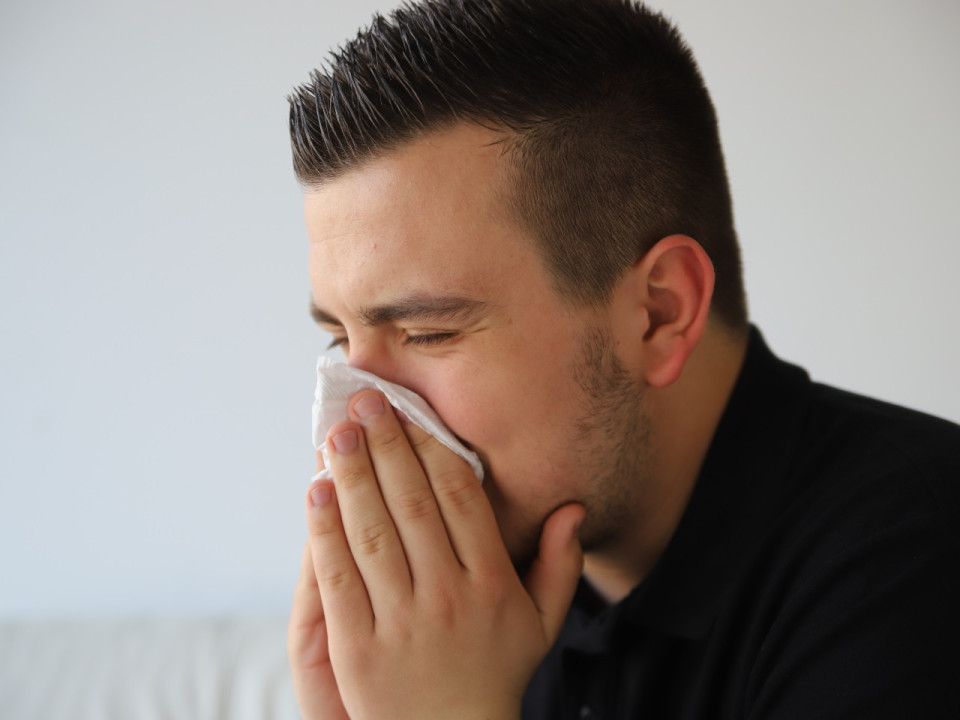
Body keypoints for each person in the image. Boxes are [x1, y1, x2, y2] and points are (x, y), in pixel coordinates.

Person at [285, 1, 960, 718]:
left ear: (659, 314)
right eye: (338, 340)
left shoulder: (917, 563)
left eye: (428, 332)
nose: (352, 422)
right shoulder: (470, 622)